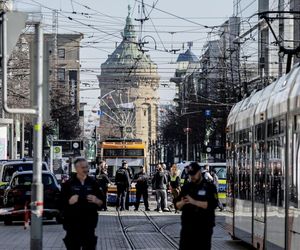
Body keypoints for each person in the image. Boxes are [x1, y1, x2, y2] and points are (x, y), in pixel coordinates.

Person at [60, 157, 103, 250]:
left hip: (89, 225)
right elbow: (60, 203)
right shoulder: (68, 184)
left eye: (87, 167)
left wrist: (97, 200)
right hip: (72, 225)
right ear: (76, 169)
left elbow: (102, 202)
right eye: (83, 168)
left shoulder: (93, 183)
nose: (86, 170)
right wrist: (69, 201)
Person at [175, 162, 218, 250]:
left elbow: (213, 204)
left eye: (194, 174)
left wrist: (193, 201)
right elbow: (177, 205)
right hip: (188, 228)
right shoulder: (186, 187)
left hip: (203, 228)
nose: (192, 177)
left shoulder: (209, 187)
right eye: (190, 175)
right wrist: (182, 202)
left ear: (199, 172)